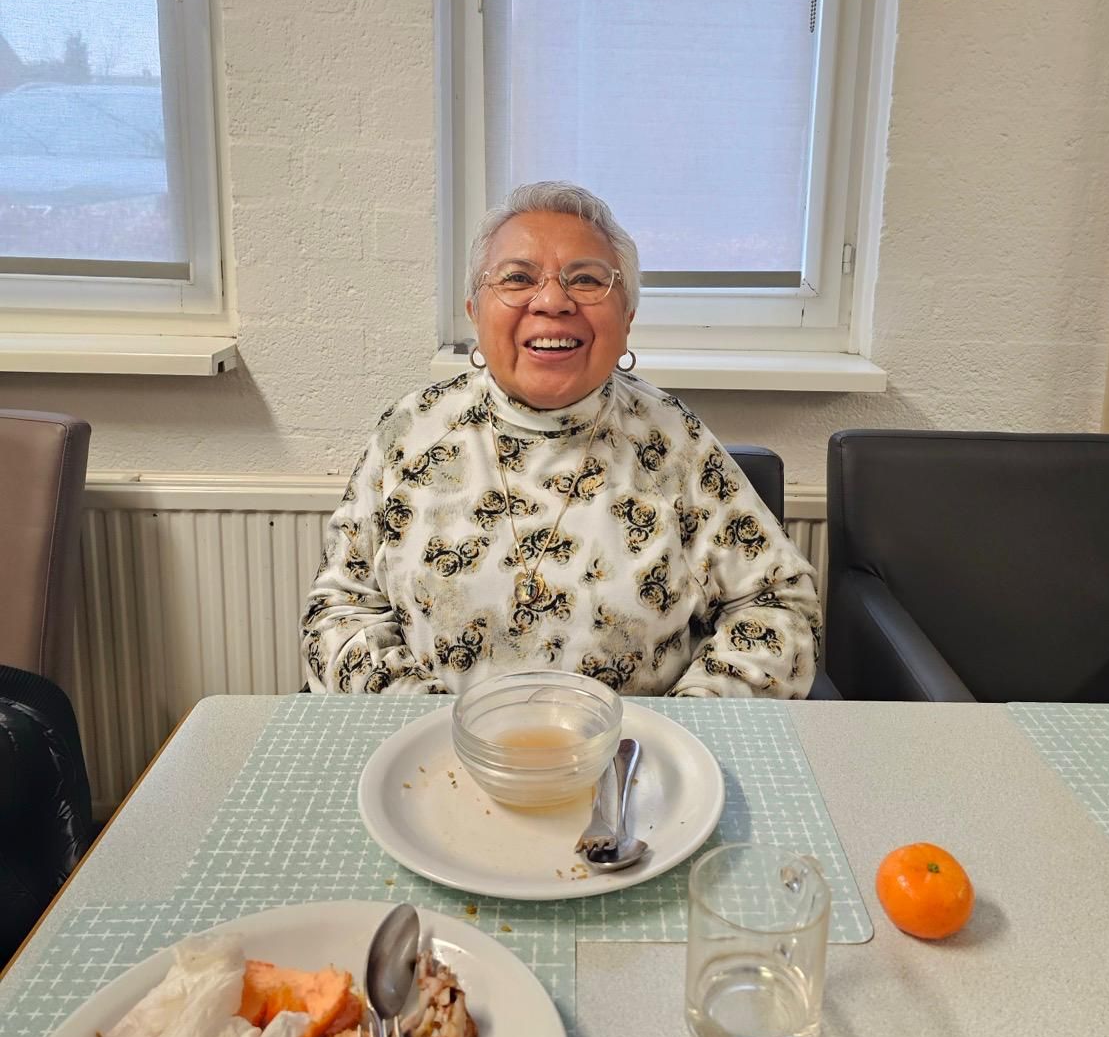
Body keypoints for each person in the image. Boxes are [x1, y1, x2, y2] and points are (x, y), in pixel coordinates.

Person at [302, 182, 821, 697]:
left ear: (627, 319)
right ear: (474, 312)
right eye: (517, 278)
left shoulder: (673, 441)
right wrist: (432, 726)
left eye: (587, 280)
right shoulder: (411, 432)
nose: (552, 301)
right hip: (440, 756)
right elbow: (339, 613)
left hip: (629, 761)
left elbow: (778, 607)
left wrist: (677, 733)